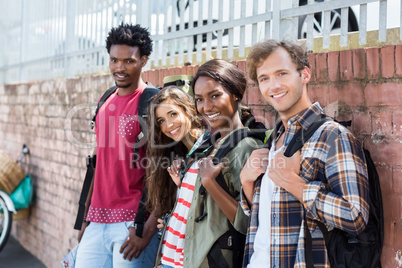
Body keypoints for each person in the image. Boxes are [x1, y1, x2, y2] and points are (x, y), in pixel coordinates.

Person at [239, 39, 370, 267]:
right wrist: (247, 182)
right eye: (264, 78)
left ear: (305, 74)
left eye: (282, 73)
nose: (274, 85)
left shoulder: (332, 136)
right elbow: (270, 214)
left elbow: (356, 216)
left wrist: (295, 184)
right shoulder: (275, 137)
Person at [154, 59, 264, 268]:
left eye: (215, 96)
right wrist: (186, 183)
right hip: (171, 257)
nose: (206, 107)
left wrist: (209, 182)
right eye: (199, 99)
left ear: (235, 94)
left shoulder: (246, 147)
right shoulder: (207, 142)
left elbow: (247, 223)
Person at [75, 23, 159, 268]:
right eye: (114, 60)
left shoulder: (152, 102)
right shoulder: (106, 99)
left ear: (143, 60)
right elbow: (97, 162)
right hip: (96, 221)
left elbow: (164, 173)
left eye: (129, 61)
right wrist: (84, 217)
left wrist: (148, 228)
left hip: (132, 223)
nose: (119, 68)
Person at [145, 86, 205, 221]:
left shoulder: (207, 148)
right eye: (161, 121)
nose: (169, 125)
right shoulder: (181, 155)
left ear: (188, 110)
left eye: (173, 114)